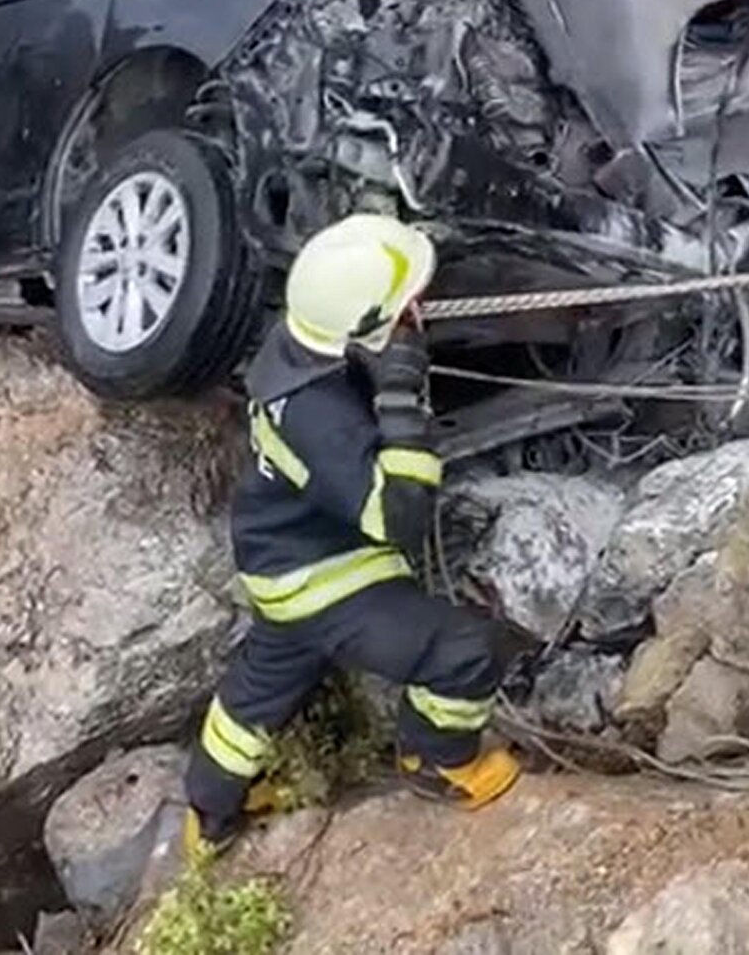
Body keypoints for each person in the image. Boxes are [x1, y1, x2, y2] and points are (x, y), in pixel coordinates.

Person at [184, 213, 521, 856]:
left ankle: (208, 811)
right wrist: (401, 400)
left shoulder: (296, 348)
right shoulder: (322, 421)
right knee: (467, 649)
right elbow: (400, 521)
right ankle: (436, 759)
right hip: (330, 576)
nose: (416, 312)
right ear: (365, 329)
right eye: (405, 309)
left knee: (258, 693)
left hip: (278, 561)